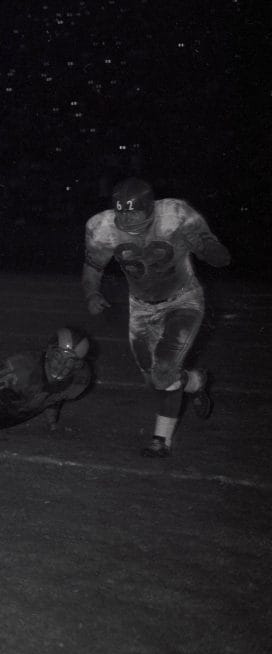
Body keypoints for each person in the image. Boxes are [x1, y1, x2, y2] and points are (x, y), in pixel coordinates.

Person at [82, 177, 231, 458]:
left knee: (164, 371)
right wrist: (91, 294)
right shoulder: (101, 226)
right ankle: (195, 382)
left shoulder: (177, 214)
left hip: (183, 300)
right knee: (154, 380)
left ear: (151, 208)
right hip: (141, 307)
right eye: (121, 212)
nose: (127, 219)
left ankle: (161, 441)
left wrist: (200, 246)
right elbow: (92, 269)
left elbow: (222, 259)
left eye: (134, 212)